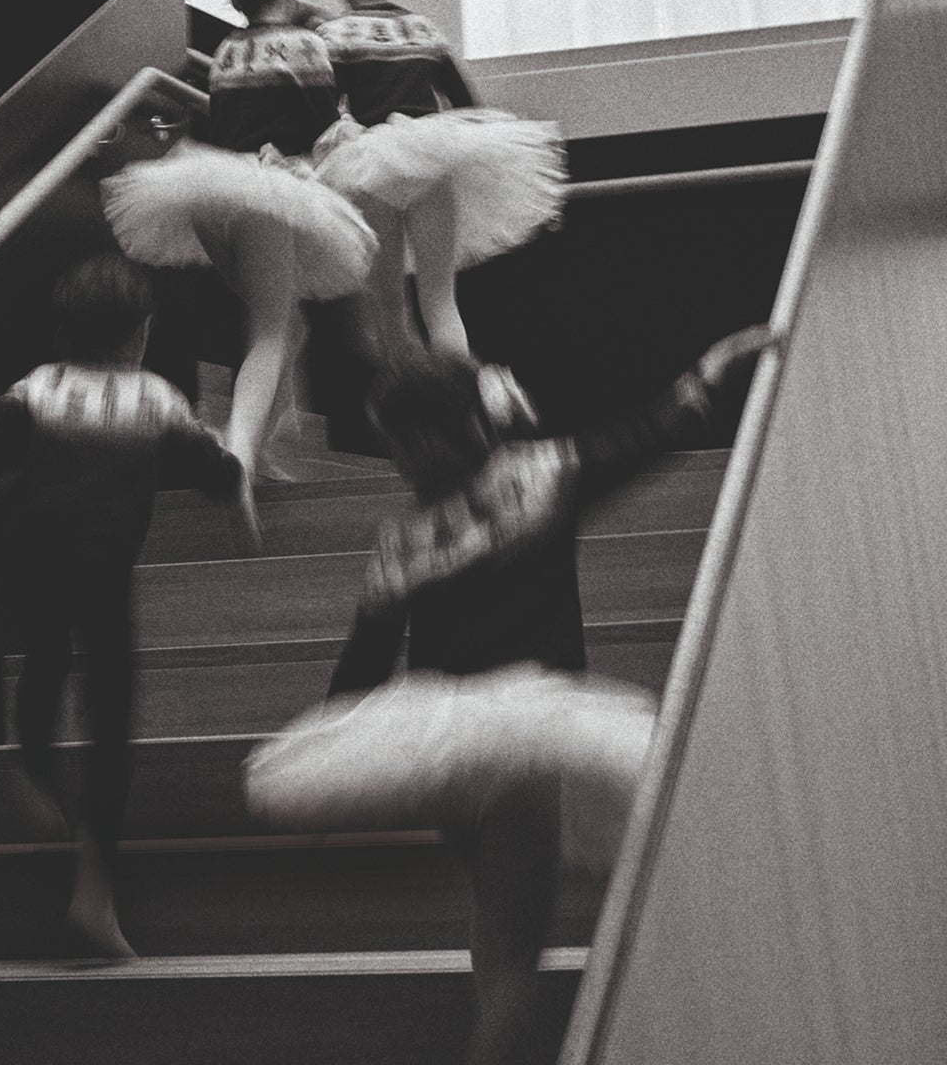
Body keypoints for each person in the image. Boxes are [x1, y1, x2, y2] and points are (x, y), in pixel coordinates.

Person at [246, 325, 775, 1064]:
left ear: (447, 430)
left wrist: (331, 745)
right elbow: (650, 435)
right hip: (527, 743)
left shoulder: (405, 535)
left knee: (496, 941)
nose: (399, 460)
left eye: (403, 442)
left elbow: (362, 670)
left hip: (439, 748)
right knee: (510, 963)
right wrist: (712, 369)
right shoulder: (543, 475)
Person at [0, 252, 245, 959]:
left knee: (46, 661)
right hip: (104, 576)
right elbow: (215, 471)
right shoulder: (155, 398)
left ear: (64, 330)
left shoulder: (42, 385)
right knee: (110, 721)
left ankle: (29, 767)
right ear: (140, 331)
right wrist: (230, 469)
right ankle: (94, 890)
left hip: (32, 558)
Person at [102, 0, 377, 486]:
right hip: (262, 192)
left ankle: (261, 448)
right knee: (272, 331)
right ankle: (239, 457)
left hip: (208, 195)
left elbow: (227, 127)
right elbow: (324, 130)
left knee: (287, 327)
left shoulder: (229, 48)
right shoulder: (304, 45)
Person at [313, 0, 565, 362]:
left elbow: (321, 106)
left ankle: (411, 413)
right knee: (440, 301)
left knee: (390, 307)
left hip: (372, 165)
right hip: (433, 157)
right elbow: (468, 104)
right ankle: (458, 409)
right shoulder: (425, 31)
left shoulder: (335, 35)